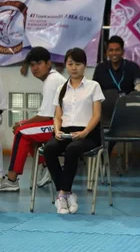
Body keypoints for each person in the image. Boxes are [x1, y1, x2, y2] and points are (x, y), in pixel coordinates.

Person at [43, 48, 105, 215]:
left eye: (78, 64)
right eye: (70, 64)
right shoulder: (61, 88)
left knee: (72, 149)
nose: (74, 67)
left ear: (85, 66)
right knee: (49, 149)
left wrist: (84, 132)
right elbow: (57, 116)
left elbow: (97, 115)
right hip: (65, 132)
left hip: (87, 133)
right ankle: (67, 193)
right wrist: (56, 131)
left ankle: (62, 194)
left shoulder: (93, 86)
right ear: (66, 65)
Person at [0, 48, 66, 193]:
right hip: (59, 124)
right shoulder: (52, 79)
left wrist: (23, 123)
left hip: (64, 128)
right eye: (32, 65)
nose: (35, 68)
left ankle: (11, 179)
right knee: (25, 131)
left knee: (21, 132)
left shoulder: (52, 80)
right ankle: (47, 166)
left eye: (38, 63)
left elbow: (46, 116)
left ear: (48, 64)